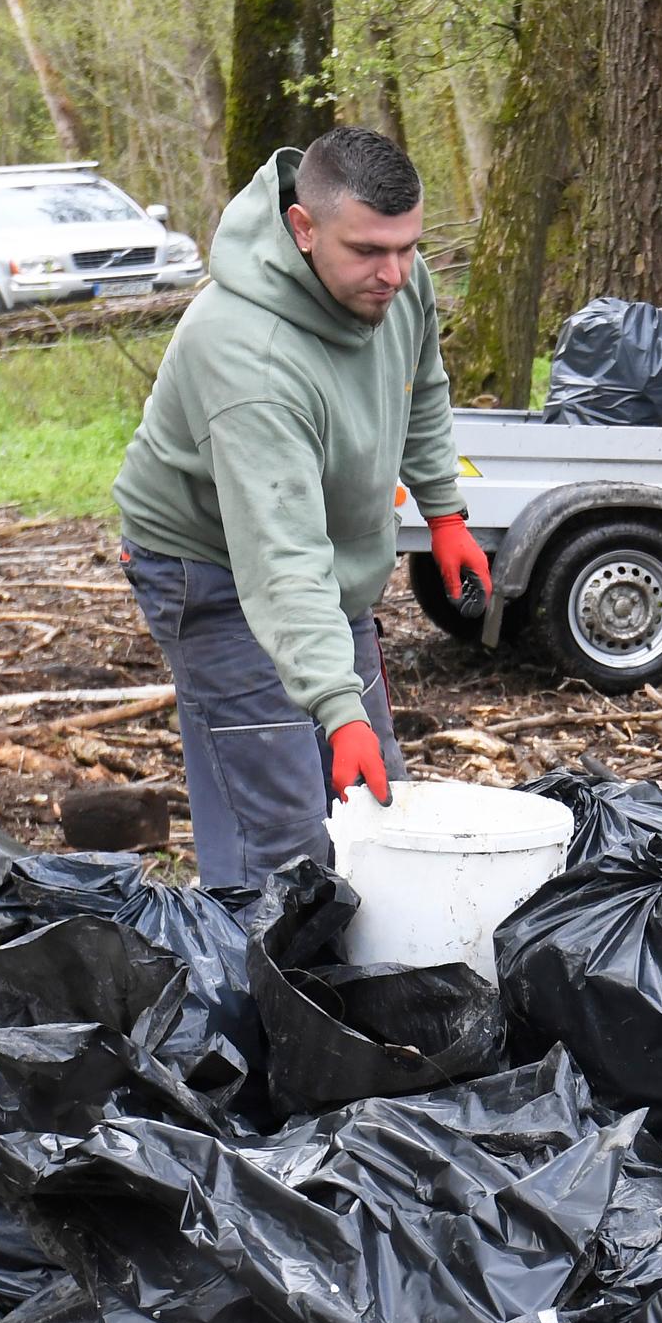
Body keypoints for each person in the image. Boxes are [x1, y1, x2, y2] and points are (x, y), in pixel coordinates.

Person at [112, 126, 491, 887]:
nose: (394, 273)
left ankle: (359, 948)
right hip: (213, 565)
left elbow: (420, 386)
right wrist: (337, 709)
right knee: (283, 832)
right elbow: (279, 557)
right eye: (369, 251)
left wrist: (445, 515)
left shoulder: (394, 278)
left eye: (408, 247)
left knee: (370, 799)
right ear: (303, 227)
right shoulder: (247, 354)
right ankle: (252, 952)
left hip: (323, 558)